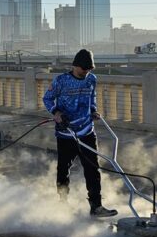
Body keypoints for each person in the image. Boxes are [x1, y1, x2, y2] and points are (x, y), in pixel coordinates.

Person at [42, 49, 117, 217]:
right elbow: (47, 98)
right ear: (75, 66)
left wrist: (93, 110)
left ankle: (96, 207)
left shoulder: (91, 79)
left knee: (93, 170)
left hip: (86, 131)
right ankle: (63, 203)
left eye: (89, 69)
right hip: (66, 133)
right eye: (83, 68)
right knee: (63, 169)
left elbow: (92, 97)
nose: (86, 72)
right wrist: (56, 113)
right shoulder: (61, 81)